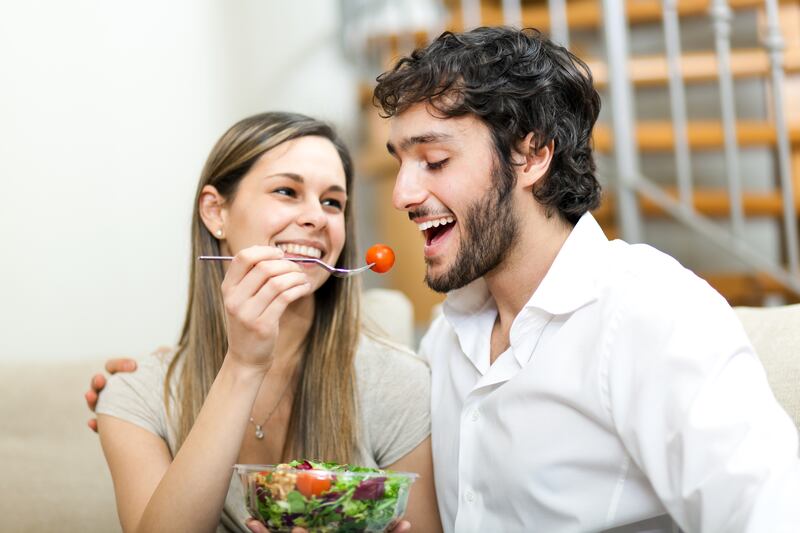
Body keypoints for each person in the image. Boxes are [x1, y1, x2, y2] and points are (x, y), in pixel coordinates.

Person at [88, 28, 800, 532]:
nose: (398, 195)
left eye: (433, 159)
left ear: (531, 157)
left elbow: (771, 514)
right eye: (399, 160)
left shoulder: (649, 311)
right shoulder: (449, 339)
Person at [89, 111, 441, 533]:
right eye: (287, 191)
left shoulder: (399, 381)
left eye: (333, 202)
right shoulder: (134, 396)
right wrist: (244, 363)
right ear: (215, 212)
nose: (317, 217)